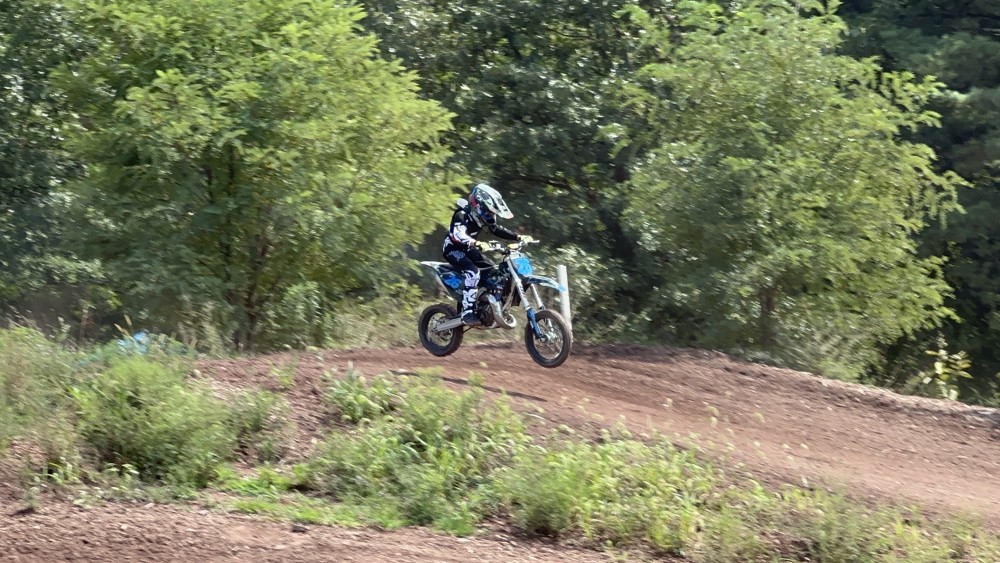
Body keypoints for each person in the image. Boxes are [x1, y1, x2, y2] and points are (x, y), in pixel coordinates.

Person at [442, 183, 530, 326]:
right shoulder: (461, 215)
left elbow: (496, 229)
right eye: (489, 213)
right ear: (478, 207)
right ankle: (467, 312)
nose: (491, 216)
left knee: (493, 271)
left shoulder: (481, 217)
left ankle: (485, 303)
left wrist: (518, 237)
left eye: (492, 213)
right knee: (473, 272)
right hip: (453, 249)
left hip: (469, 248)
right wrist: (475, 242)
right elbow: (458, 235)